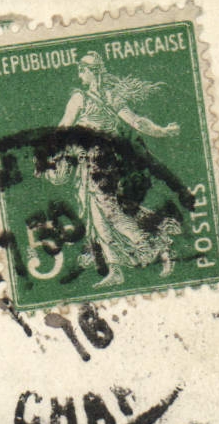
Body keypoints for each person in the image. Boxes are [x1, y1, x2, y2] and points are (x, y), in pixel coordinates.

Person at [47, 51, 182, 289]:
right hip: (96, 162)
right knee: (95, 215)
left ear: (91, 72)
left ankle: (152, 244)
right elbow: (138, 122)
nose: (80, 75)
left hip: (98, 163)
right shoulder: (110, 97)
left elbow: (64, 127)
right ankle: (115, 268)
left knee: (110, 212)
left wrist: (48, 152)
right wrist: (163, 131)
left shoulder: (81, 98)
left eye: (82, 70)